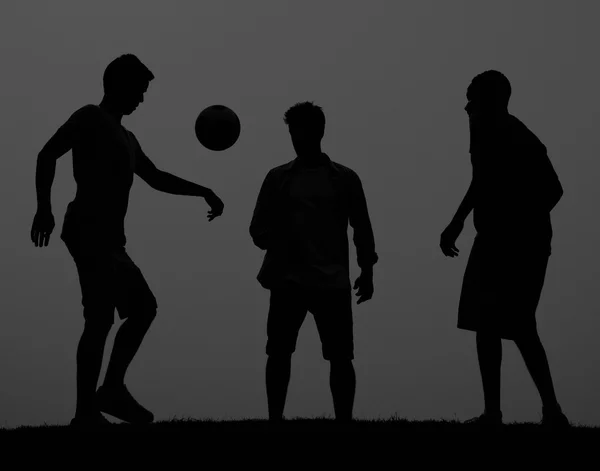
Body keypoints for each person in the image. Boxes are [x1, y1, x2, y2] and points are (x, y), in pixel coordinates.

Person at [30, 54, 224, 427]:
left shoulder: (128, 137)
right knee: (104, 317)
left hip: (110, 240)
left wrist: (204, 190)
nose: (142, 98)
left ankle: (106, 393)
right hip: (87, 230)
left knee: (138, 310)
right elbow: (47, 153)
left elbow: (155, 177)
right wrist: (43, 208)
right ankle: (90, 406)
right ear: (118, 85)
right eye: (139, 89)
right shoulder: (90, 117)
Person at [440, 70, 569, 427]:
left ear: (491, 101)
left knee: (522, 325)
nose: (465, 106)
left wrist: (517, 222)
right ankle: (493, 412)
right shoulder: (481, 130)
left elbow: (553, 191)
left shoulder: (520, 137)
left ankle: (552, 411)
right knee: (485, 323)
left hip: (522, 244)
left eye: (472, 99)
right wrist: (459, 220)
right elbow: (481, 180)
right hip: (493, 239)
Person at [250, 101, 378, 422]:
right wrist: (279, 238)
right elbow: (258, 229)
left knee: (340, 356)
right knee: (278, 352)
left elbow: (361, 225)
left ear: (320, 131)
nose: (296, 136)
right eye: (292, 130)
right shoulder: (277, 177)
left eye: (302, 129)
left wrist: (367, 270)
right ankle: (275, 419)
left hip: (331, 280)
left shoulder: (345, 178)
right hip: (287, 279)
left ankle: (343, 421)